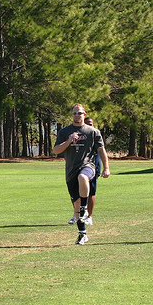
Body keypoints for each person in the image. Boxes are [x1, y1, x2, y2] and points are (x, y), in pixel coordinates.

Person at [53, 104, 110, 245]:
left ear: (84, 114)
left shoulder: (93, 132)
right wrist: (69, 140)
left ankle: (85, 208)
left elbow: (102, 151)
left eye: (79, 113)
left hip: (88, 166)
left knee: (83, 177)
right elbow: (56, 150)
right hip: (70, 170)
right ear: (71, 115)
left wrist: (106, 168)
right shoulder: (64, 132)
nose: (77, 115)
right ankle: (82, 234)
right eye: (74, 113)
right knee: (75, 204)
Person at [67, 117, 102, 226]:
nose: (88, 126)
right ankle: (77, 214)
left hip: (92, 164)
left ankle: (89, 216)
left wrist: (105, 167)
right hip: (76, 166)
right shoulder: (79, 135)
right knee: (75, 192)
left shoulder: (94, 135)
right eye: (87, 124)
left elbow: (101, 150)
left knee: (91, 191)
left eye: (90, 124)